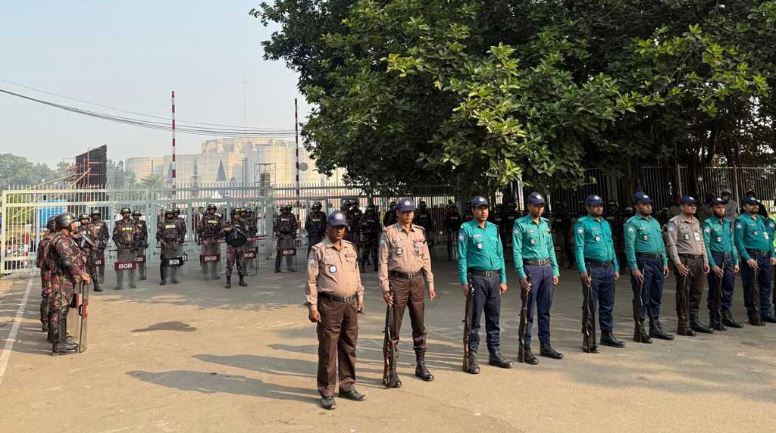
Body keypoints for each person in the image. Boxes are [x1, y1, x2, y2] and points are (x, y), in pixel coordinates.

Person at [305, 210, 366, 410]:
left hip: (349, 304)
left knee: (349, 346)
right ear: (328, 227)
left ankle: (347, 386)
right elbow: (311, 280)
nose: (339, 231)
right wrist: (312, 306)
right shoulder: (319, 250)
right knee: (328, 349)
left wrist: (360, 296)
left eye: (342, 227)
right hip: (329, 305)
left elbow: (356, 274)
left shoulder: (350, 248)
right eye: (336, 227)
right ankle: (327, 391)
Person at [379, 199, 436, 385]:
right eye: (404, 212)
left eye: (411, 211)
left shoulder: (419, 232)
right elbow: (383, 262)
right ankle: (392, 370)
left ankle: (421, 364)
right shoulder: (389, 233)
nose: (408, 215)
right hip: (398, 282)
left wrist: (430, 283)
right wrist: (385, 287)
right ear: (397, 213)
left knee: (419, 325)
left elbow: (426, 259)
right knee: (393, 326)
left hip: (417, 281)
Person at [457, 196, 511, 374]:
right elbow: (462, 257)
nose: (483, 211)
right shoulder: (466, 229)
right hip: (477, 278)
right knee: (474, 320)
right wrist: (464, 281)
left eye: (486, 208)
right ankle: (472, 355)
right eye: (479, 208)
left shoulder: (494, 229)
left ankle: (494, 352)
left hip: (494, 278)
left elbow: (500, 255)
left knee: (493, 319)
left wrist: (503, 278)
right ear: (473, 210)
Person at [513, 192, 562, 364]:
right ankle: (525, 348)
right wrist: (521, 273)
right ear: (529, 206)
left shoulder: (546, 224)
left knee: (545, 310)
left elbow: (550, 248)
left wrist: (555, 269)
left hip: (546, 268)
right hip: (531, 268)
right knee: (529, 311)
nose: (539, 209)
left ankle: (545, 345)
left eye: (541, 206)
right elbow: (517, 251)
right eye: (536, 205)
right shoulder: (520, 224)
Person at [574, 194, 624, 353]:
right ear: (588, 207)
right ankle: (588, 338)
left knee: (607, 303)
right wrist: (582, 270)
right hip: (592, 267)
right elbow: (579, 248)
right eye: (595, 206)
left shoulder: (605, 224)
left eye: (600, 205)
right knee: (590, 304)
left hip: (607, 267)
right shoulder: (582, 224)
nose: (599, 208)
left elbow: (611, 245)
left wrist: (616, 266)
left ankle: (607, 333)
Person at [624, 192, 672, 343]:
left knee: (656, 296)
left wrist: (665, 262)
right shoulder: (632, 223)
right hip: (642, 261)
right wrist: (633, 267)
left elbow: (661, 245)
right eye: (644, 204)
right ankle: (640, 329)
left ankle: (655, 327)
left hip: (657, 261)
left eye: (649, 204)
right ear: (637, 206)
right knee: (642, 296)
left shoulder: (655, 222)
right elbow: (629, 246)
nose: (648, 206)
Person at [664, 195, 712, 336]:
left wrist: (706, 260)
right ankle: (683, 324)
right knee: (683, 293)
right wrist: (677, 263)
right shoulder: (675, 222)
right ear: (682, 206)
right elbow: (671, 244)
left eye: (694, 205)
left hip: (698, 260)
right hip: (685, 260)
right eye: (689, 204)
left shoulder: (696, 221)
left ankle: (694, 320)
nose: (693, 207)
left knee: (697, 292)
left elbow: (702, 242)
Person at [47, 213, 92, 354]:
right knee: (60, 310)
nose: (75, 224)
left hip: (67, 281)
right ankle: (59, 345)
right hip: (61, 281)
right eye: (73, 222)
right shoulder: (62, 241)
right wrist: (81, 274)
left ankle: (62, 340)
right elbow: (67, 262)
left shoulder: (67, 239)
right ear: (66, 224)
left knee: (63, 310)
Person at [703, 197, 743, 330]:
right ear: (712, 209)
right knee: (715, 289)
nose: (721, 209)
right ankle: (715, 318)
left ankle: (726, 315)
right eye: (718, 207)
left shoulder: (727, 223)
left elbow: (732, 243)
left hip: (728, 258)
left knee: (728, 288)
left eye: (723, 207)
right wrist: (712, 264)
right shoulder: (708, 224)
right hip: (716, 256)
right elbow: (706, 245)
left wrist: (736, 260)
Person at [734, 195, 776, 325]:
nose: (755, 206)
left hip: (765, 256)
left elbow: (768, 238)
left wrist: (773, 254)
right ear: (745, 206)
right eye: (751, 204)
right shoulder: (741, 220)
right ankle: (754, 315)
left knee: (766, 285)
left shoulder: (760, 219)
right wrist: (746, 258)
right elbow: (738, 241)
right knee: (752, 286)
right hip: (752, 255)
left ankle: (765, 313)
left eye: (756, 204)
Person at [35, 218, 56, 332]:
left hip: (46, 272)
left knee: (47, 296)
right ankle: (49, 323)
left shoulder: (44, 240)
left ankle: (45, 323)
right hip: (52, 272)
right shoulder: (54, 240)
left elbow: (39, 262)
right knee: (52, 297)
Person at [222, 208, 249, 288]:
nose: (237, 216)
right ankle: (228, 282)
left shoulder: (243, 222)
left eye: (238, 214)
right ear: (232, 215)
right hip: (231, 247)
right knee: (230, 264)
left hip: (240, 246)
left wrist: (246, 229)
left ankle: (241, 280)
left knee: (241, 263)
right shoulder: (228, 223)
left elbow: (247, 232)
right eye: (236, 214)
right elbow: (221, 232)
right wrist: (226, 230)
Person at [157, 209, 184, 286]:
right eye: (168, 214)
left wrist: (177, 242)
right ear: (166, 215)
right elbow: (158, 235)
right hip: (165, 245)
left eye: (171, 214)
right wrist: (164, 243)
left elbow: (180, 234)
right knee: (164, 263)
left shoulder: (177, 223)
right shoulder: (162, 223)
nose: (170, 215)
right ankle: (163, 279)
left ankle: (174, 278)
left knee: (174, 261)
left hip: (174, 245)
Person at [113, 208, 138, 289]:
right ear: (122, 214)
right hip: (122, 248)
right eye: (124, 213)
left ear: (129, 213)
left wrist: (135, 245)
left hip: (131, 248)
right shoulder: (118, 223)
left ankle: (132, 283)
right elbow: (115, 236)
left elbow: (137, 235)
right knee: (120, 266)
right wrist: (118, 245)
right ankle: (119, 284)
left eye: (127, 213)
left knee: (132, 266)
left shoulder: (134, 223)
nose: (126, 214)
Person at [198, 204, 223, 281]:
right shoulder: (204, 219)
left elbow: (221, 229)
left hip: (215, 241)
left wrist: (219, 238)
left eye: (213, 209)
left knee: (215, 257)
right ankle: (205, 274)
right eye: (211, 209)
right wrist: (203, 239)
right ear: (208, 210)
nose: (212, 211)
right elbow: (200, 229)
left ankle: (214, 273)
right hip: (207, 241)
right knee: (205, 258)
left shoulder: (218, 218)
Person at [274, 205, 299, 272]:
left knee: (289, 252)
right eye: (283, 210)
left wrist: (293, 234)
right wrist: (279, 234)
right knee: (279, 253)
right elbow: (275, 227)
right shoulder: (279, 217)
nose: (284, 211)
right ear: (281, 210)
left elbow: (295, 226)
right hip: (281, 237)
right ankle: (277, 268)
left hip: (289, 236)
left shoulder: (291, 216)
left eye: (285, 210)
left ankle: (290, 267)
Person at [358, 204, 381, 272]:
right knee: (365, 253)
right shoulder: (364, 217)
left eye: (372, 210)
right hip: (367, 237)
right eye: (369, 210)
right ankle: (362, 267)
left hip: (374, 237)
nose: (371, 212)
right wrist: (366, 225)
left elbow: (378, 227)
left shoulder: (376, 217)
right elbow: (360, 226)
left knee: (374, 253)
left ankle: (376, 267)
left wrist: (376, 231)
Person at [90, 209, 110, 283]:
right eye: (94, 215)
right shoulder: (89, 224)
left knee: (101, 263)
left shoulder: (102, 224)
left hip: (100, 247)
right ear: (92, 216)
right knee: (92, 263)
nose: (95, 216)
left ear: (99, 215)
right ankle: (93, 277)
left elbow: (106, 235)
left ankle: (101, 277)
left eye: (97, 215)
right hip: (91, 246)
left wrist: (104, 244)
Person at [132, 210, 148, 281]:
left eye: (138, 215)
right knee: (132, 259)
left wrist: (145, 242)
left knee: (141, 259)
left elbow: (145, 233)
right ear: (133, 216)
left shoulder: (143, 223)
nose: (137, 216)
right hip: (132, 243)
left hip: (141, 243)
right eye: (135, 215)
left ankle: (141, 275)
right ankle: (132, 275)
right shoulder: (130, 223)